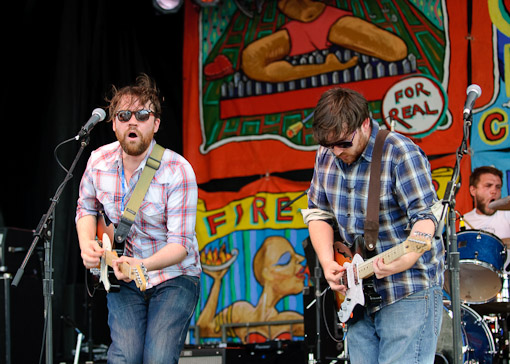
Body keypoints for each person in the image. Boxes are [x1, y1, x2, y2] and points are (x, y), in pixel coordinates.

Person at [302, 87, 444, 363]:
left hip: (407, 289)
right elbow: (318, 213)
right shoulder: (327, 153)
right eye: (329, 144)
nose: (335, 151)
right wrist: (327, 261)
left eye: (343, 143)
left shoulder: (401, 153)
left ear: (365, 124)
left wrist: (408, 257)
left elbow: (426, 218)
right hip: (357, 295)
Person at [75, 73, 201, 364]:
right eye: (124, 115)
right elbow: (85, 207)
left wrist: (141, 265)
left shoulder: (177, 170)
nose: (133, 121)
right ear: (114, 123)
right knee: (125, 357)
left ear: (155, 124)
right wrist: (86, 244)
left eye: (143, 114)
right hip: (122, 276)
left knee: (157, 358)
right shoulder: (98, 160)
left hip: (173, 276)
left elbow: (180, 244)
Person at [241, 0, 407, 82]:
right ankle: (326, 67)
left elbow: (397, 50)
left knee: (395, 49)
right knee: (251, 59)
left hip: (330, 20)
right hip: (295, 29)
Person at [196, 236, 306, 343]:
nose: (301, 260)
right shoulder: (240, 312)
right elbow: (203, 330)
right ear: (266, 273)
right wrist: (217, 282)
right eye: (286, 260)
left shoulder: (290, 319)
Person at [463, 166, 510, 241]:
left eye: (498, 187)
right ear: (473, 190)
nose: (494, 191)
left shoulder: (508, 214)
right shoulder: (463, 220)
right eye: (488, 186)